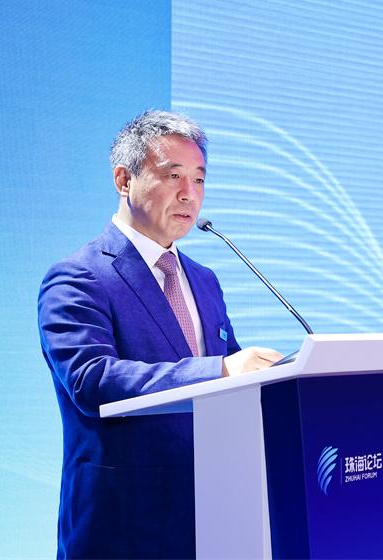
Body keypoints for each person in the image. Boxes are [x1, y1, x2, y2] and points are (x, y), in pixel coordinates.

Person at [38, 110, 282, 558]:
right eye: (173, 176)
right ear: (123, 180)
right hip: (123, 526)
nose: (190, 193)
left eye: (200, 179)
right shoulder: (78, 278)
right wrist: (221, 370)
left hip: (215, 519)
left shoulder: (204, 279)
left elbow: (235, 380)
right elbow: (92, 380)